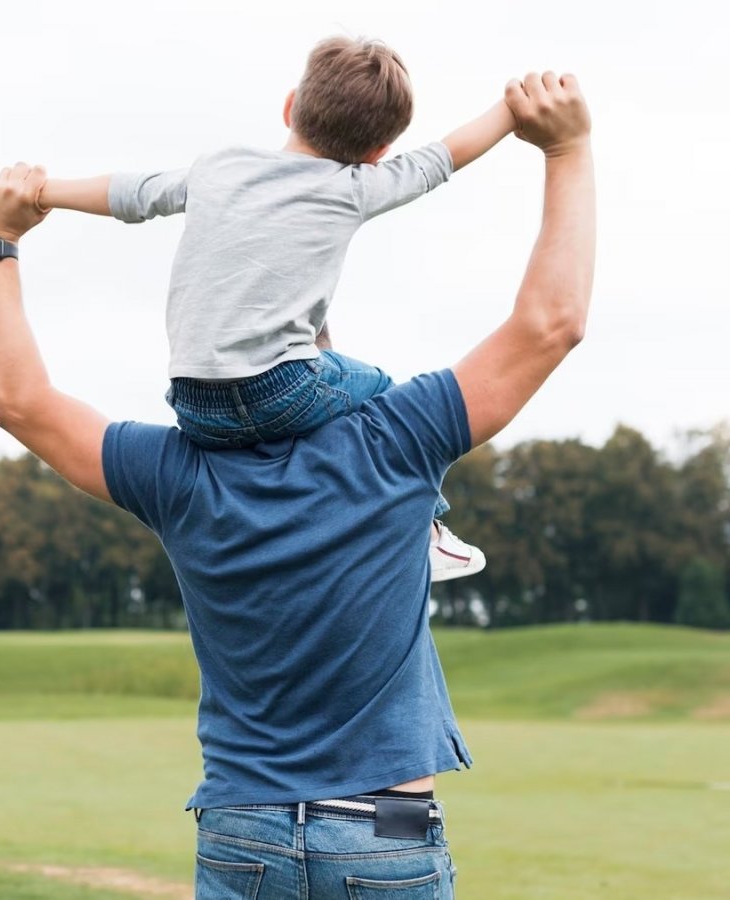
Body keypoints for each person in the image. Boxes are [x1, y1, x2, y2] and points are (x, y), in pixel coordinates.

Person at [0, 70, 592, 898]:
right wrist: (569, 148)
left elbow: (20, 403)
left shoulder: (177, 473)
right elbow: (551, 324)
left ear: (289, 111)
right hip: (384, 832)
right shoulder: (398, 438)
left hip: (240, 832)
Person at [37, 36, 521, 582]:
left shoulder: (219, 167)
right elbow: (442, 158)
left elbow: (132, 194)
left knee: (322, 347)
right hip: (279, 392)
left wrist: (43, 192)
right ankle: (428, 531)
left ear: (291, 105)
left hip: (194, 404)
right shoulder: (355, 186)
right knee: (382, 390)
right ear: (379, 153)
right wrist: (511, 110)